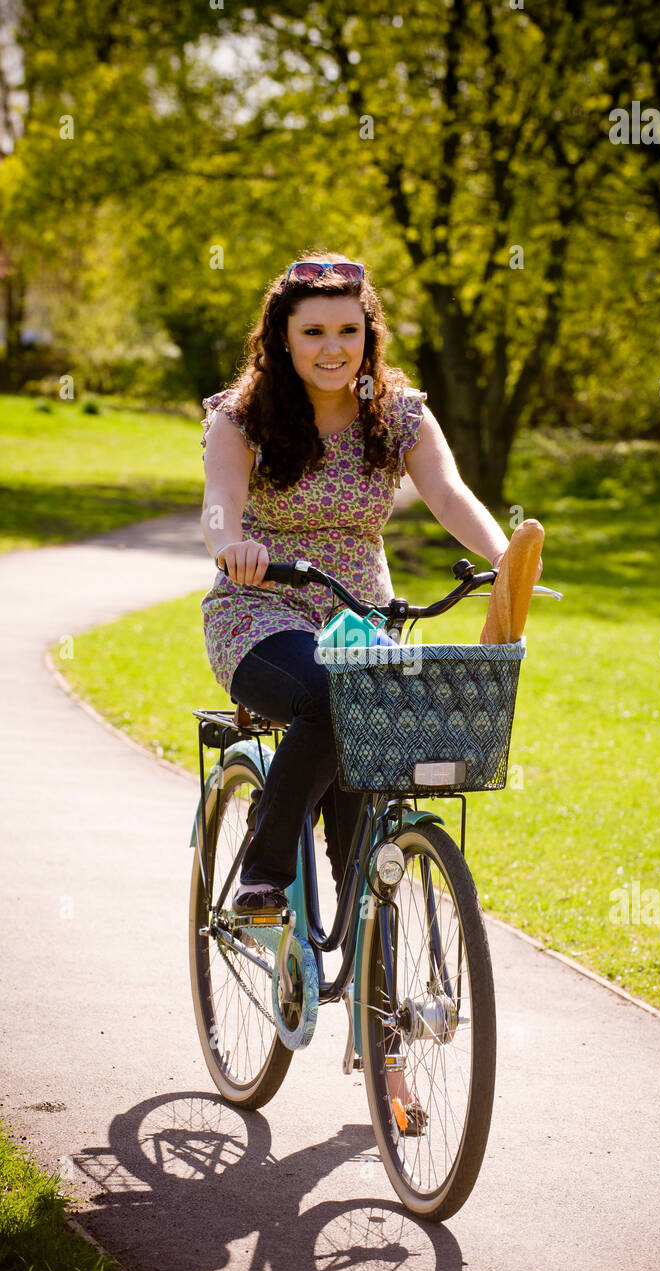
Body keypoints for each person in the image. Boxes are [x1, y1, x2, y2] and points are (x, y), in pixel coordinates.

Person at [200, 251, 512, 914]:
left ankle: (374, 964)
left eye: (348, 330)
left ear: (369, 333)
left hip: (357, 621)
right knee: (331, 695)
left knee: (366, 770)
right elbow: (220, 503)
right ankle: (264, 863)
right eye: (313, 332)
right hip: (259, 613)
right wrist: (232, 547)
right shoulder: (240, 418)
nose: (332, 348)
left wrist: (506, 559)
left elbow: (450, 494)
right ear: (281, 338)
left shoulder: (397, 416)